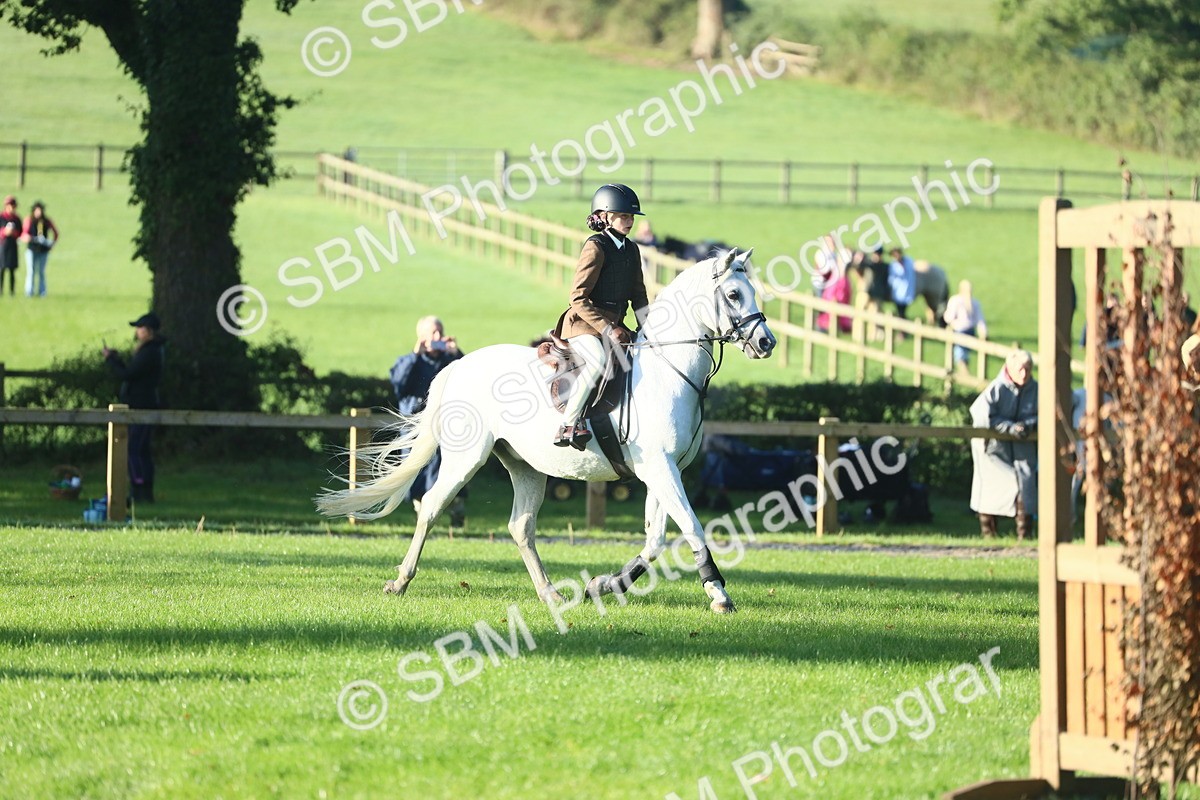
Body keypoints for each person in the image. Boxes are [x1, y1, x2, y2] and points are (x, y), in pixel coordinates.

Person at [554, 183, 650, 449]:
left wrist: (647, 328)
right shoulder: (596, 247)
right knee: (597, 361)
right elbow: (577, 297)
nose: (629, 221)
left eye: (631, 217)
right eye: (623, 216)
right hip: (583, 324)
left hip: (615, 325)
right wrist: (608, 329)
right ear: (605, 216)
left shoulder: (632, 249)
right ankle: (568, 424)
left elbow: (639, 295)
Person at [389, 316, 467, 524]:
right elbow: (398, 385)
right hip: (417, 429)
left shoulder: (451, 361)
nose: (438, 336)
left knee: (453, 472)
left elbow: (471, 382)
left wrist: (457, 353)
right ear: (421, 337)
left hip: (448, 430)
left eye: (440, 332)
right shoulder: (408, 361)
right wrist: (415, 356)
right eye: (433, 333)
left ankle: (457, 516)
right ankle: (422, 518)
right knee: (419, 477)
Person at [969, 350, 1038, 540]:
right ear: (1010, 368)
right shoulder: (996, 389)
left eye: (1028, 369)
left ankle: (1025, 536)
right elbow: (983, 416)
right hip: (995, 450)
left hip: (1024, 449)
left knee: (1026, 485)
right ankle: (988, 535)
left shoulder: (1037, 390)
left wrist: (1030, 425)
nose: (1024, 374)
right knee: (994, 488)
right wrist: (1008, 428)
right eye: (1020, 369)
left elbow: (1048, 412)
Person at [103, 312, 167, 503]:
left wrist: (111, 360)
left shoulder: (149, 352)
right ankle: (141, 488)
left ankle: (139, 487)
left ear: (149, 332)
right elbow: (132, 372)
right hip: (142, 405)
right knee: (140, 449)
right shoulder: (151, 351)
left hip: (142, 406)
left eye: (140, 328)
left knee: (135, 449)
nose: (137, 332)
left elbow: (128, 375)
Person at [943, 279, 988, 374]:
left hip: (959, 331)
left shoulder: (955, 300)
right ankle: (966, 375)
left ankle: (965, 376)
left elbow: (949, 317)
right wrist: (983, 332)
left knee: (960, 355)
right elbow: (980, 320)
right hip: (971, 331)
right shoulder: (975, 302)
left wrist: (951, 322)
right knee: (965, 354)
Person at [21, 201, 59, 298]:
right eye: (37, 210)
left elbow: (56, 232)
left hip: (43, 250)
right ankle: (29, 292)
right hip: (32, 249)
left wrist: (51, 244)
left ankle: (42, 292)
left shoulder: (46, 221)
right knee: (31, 271)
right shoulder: (29, 220)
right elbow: (24, 234)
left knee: (41, 272)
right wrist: (30, 238)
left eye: (40, 210)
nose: (39, 212)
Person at [887, 247, 917, 320]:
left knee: (902, 311)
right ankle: (902, 328)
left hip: (907, 291)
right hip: (898, 293)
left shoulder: (908, 261)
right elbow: (891, 279)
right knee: (900, 312)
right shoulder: (893, 265)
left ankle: (903, 328)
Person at [0, 196, 20, 296]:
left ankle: (12, 292)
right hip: (3, 246)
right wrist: (4, 232)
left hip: (13, 246)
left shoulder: (17, 219)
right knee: (1, 269)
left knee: (12, 270)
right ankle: (1, 291)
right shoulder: (1, 217)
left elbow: (21, 233)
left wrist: (13, 233)